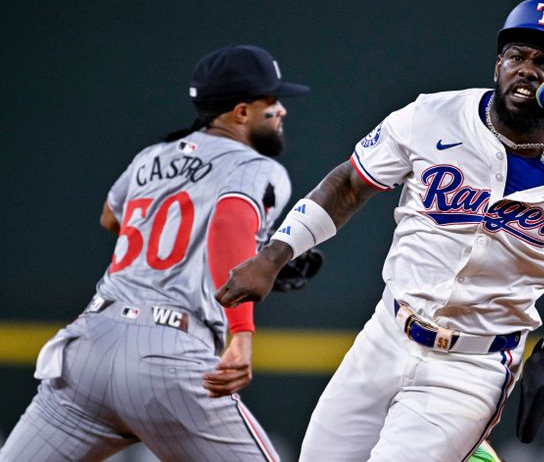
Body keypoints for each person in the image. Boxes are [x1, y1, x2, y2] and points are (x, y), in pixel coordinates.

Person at [217, 0, 544, 461]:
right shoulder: (431, 116)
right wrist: (274, 256)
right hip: (387, 333)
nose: (526, 70)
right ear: (498, 64)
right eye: (517, 56)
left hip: (475, 364)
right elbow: (351, 184)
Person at [0, 45, 311, 461]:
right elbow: (228, 224)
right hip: (168, 355)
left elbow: (113, 216)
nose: (281, 110)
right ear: (241, 112)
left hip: (87, 348)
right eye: (271, 102)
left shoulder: (153, 156)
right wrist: (242, 332)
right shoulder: (256, 167)